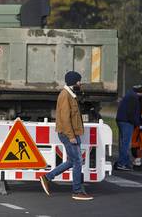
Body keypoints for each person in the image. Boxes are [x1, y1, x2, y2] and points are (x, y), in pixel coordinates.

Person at [39, 71, 93, 201]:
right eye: (79, 81)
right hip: (68, 134)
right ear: (74, 82)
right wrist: (71, 136)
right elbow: (65, 118)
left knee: (72, 161)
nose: (80, 83)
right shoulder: (65, 95)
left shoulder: (70, 94)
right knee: (78, 161)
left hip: (72, 133)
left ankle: (47, 177)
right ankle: (77, 191)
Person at [114, 85, 142, 171]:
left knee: (123, 143)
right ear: (139, 92)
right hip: (127, 122)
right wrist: (136, 123)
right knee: (126, 144)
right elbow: (131, 112)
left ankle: (124, 162)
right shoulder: (134, 98)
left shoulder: (129, 95)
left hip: (121, 120)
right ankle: (122, 163)